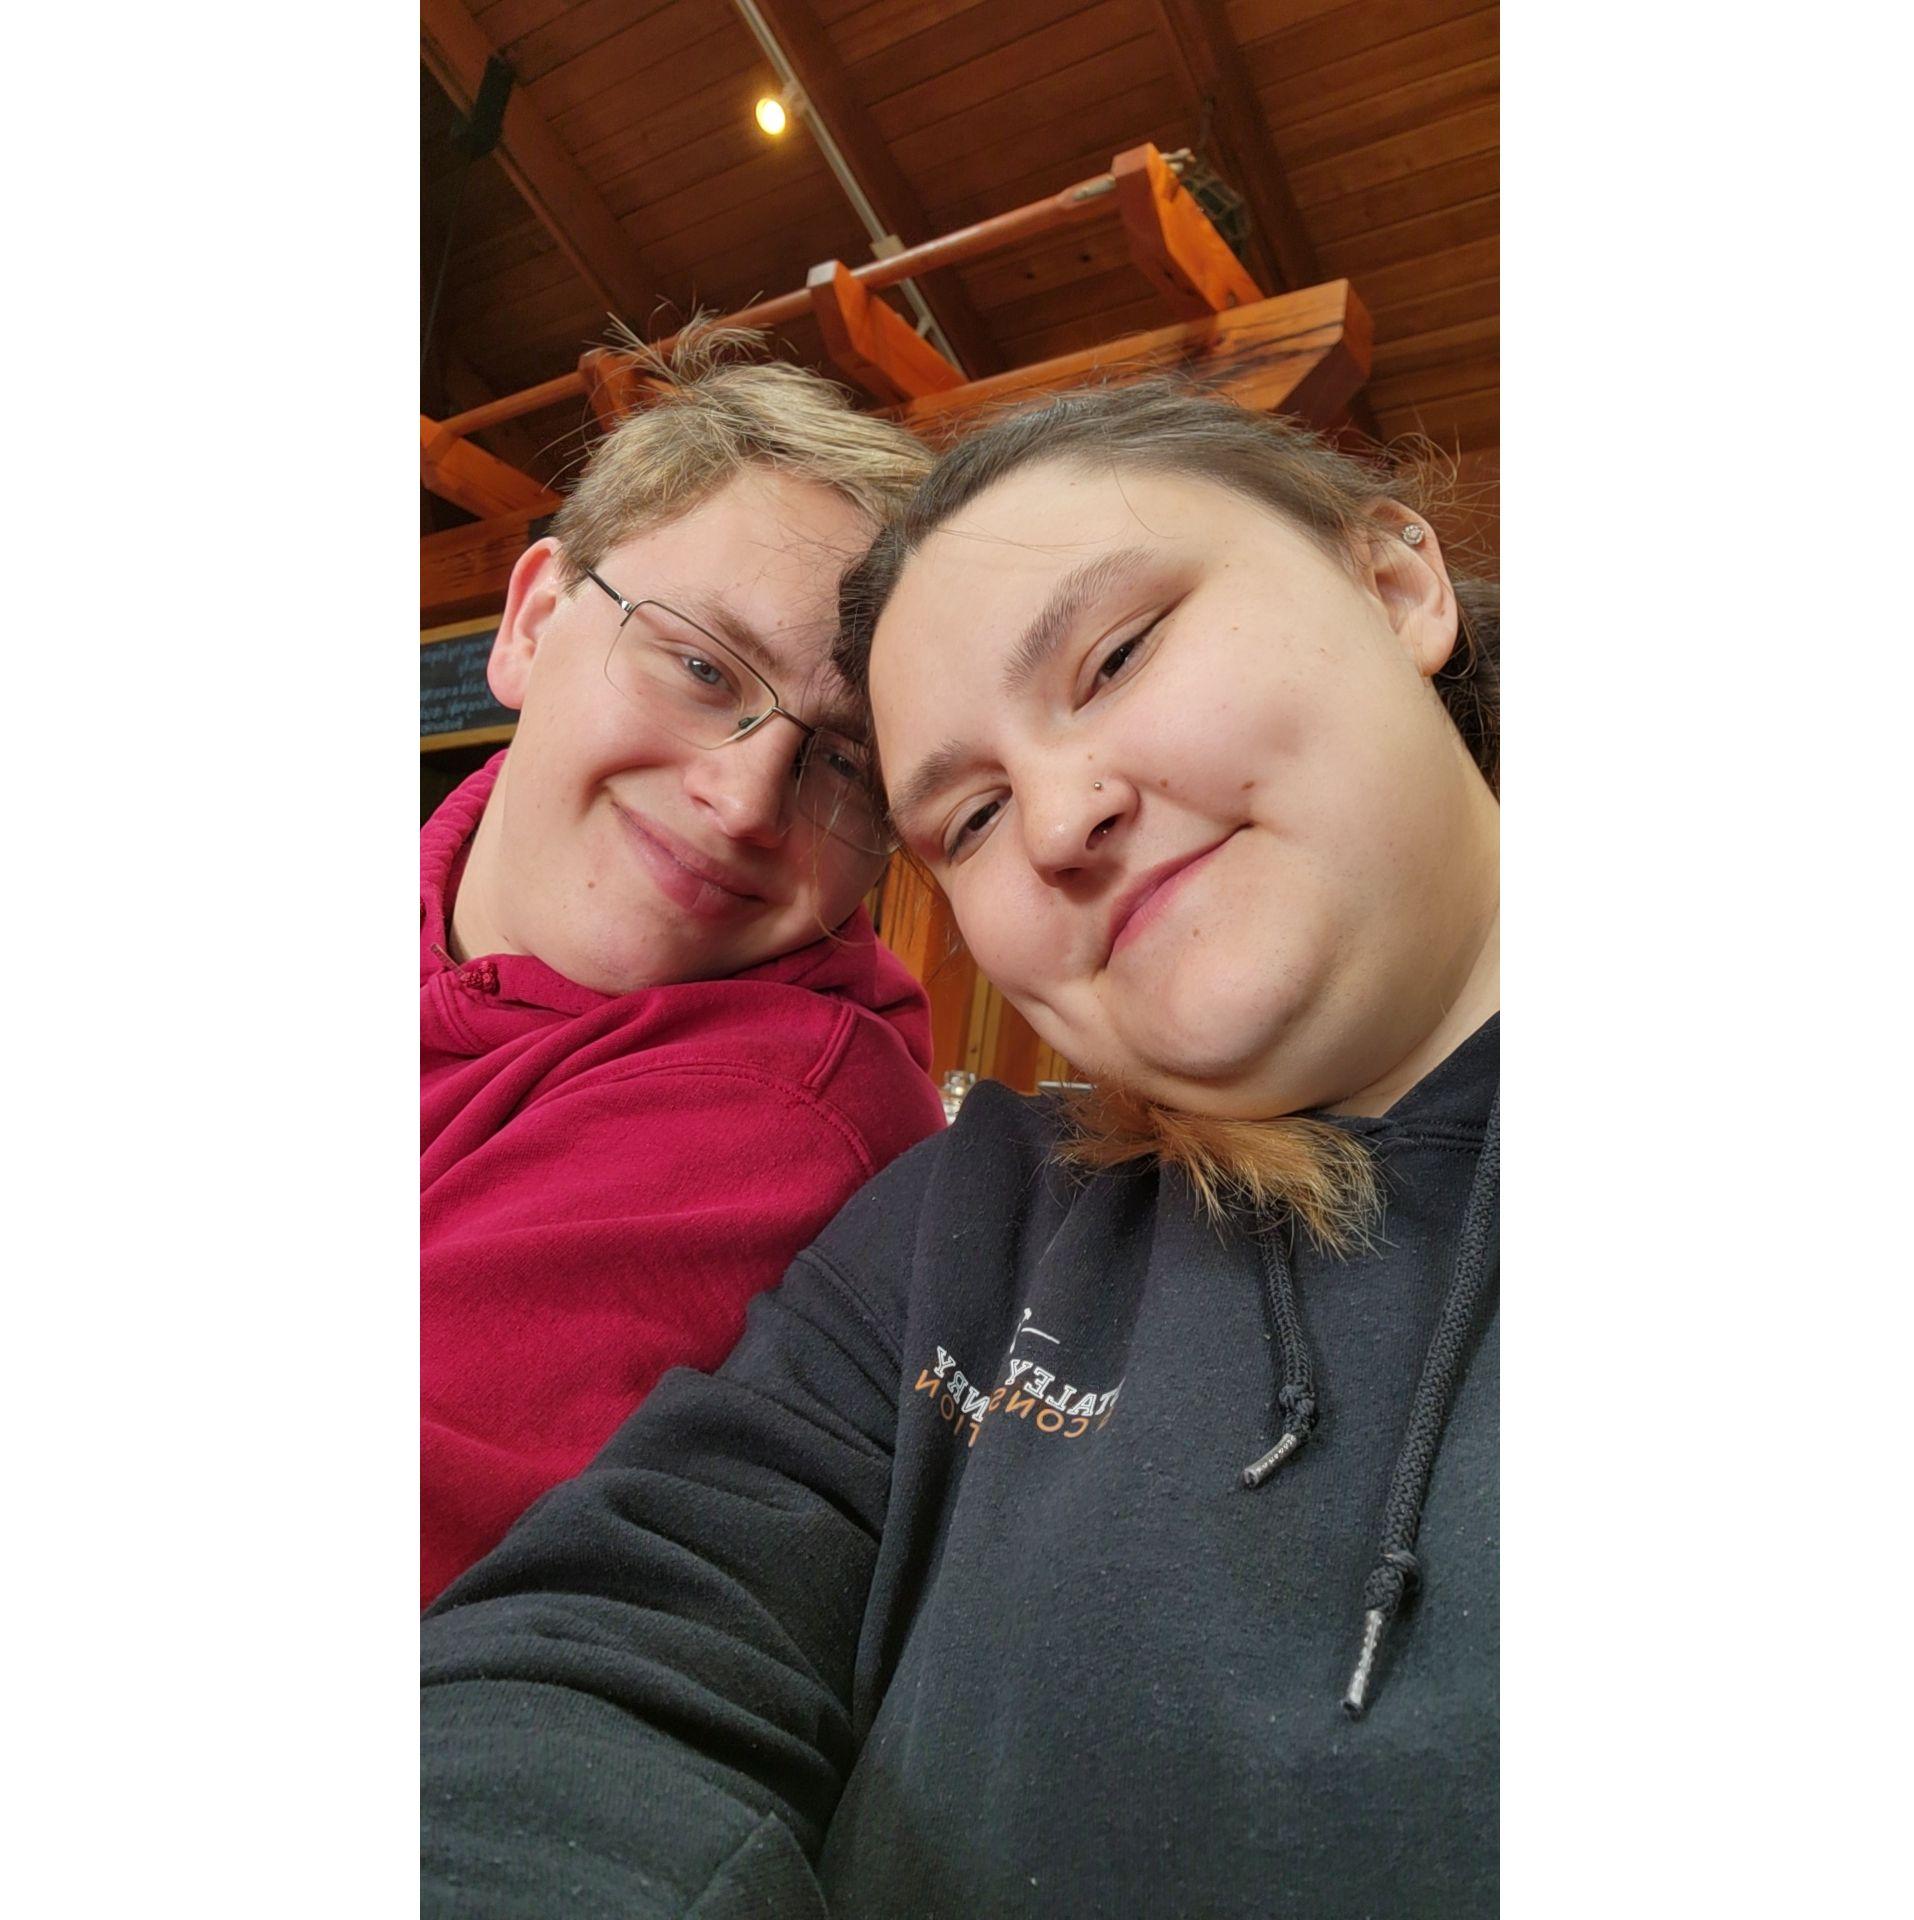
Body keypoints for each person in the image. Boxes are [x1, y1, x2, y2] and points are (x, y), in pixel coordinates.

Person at [421, 379, 1501, 1915]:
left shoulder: (788, 1118)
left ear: (1393, 583)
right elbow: (616, 1639)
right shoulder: (962, 1230)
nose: (1057, 821)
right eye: (972, 816)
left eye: (1117, 654)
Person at [420, 328, 947, 1605]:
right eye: (703, 666)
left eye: (844, 763)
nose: (744, 800)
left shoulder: (787, 1106)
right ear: (533, 622)